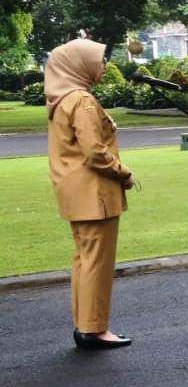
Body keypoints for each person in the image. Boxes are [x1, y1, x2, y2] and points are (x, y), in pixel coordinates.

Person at [46, 39, 137, 350]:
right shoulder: (82, 101)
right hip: (94, 194)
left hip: (75, 194)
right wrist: (125, 173)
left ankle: (86, 325)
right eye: (98, 59)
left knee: (84, 261)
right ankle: (95, 330)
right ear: (79, 64)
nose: (104, 65)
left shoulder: (60, 99)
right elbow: (96, 153)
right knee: (96, 263)